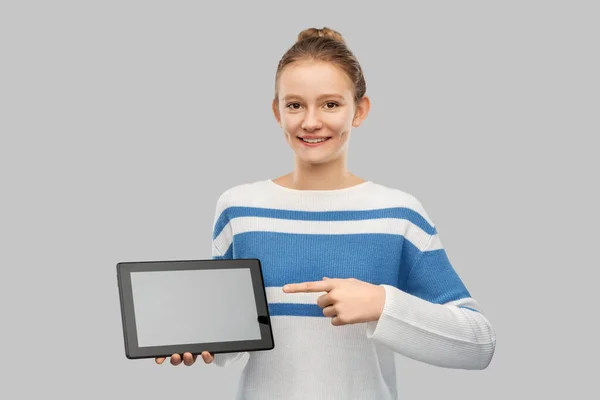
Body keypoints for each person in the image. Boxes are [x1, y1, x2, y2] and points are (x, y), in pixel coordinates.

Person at [156, 27, 496, 399]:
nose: (311, 121)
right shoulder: (239, 209)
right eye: (295, 104)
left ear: (360, 111)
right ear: (277, 111)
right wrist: (196, 339)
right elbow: (234, 337)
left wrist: (383, 304)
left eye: (330, 104)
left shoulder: (398, 214)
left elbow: (477, 342)